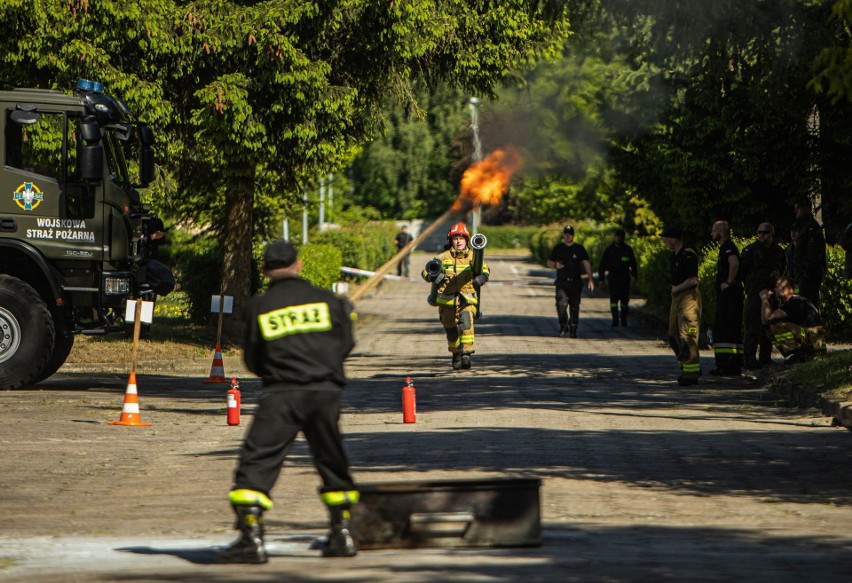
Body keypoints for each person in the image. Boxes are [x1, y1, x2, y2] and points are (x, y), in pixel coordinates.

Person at [216, 240, 360, 564]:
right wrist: (324, 364)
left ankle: (250, 538)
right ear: (299, 264)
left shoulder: (259, 306)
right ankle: (343, 533)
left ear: (266, 271)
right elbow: (346, 342)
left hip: (281, 393)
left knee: (259, 458)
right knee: (330, 457)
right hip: (325, 393)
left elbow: (252, 359)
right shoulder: (329, 301)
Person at [421, 222, 489, 370]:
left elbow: (484, 269)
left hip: (467, 299)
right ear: (450, 240)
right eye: (455, 238)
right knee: (451, 330)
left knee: (466, 322)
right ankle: (455, 353)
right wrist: (433, 276)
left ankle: (466, 354)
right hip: (446, 301)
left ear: (466, 240)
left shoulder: (473, 257)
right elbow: (425, 272)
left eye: (461, 238)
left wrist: (483, 277)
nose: (458, 241)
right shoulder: (442, 257)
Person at [739, 222, 787, 369]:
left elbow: (782, 270)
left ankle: (765, 357)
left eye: (765, 232)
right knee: (752, 325)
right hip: (755, 293)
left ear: (771, 234)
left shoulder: (778, 251)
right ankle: (749, 358)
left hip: (771, 294)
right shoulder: (750, 250)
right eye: (759, 232)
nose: (761, 235)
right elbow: (742, 272)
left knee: (769, 326)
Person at [662, 227, 701, 386]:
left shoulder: (688, 255)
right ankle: (686, 368)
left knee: (687, 337)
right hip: (676, 297)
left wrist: (677, 289)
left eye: (665, 238)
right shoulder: (674, 256)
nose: (664, 241)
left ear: (673, 239)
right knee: (673, 336)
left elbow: (693, 280)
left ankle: (691, 375)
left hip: (688, 299)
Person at [760, 275, 825, 364]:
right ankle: (800, 354)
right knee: (769, 328)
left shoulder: (795, 302)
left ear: (784, 289)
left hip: (814, 338)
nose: (774, 289)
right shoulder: (793, 302)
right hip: (811, 337)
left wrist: (764, 299)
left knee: (776, 325)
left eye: (777, 287)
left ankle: (800, 355)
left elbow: (769, 317)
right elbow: (765, 322)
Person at [547, 225, 595, 338]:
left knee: (574, 306)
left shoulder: (579, 248)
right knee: (561, 304)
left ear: (573, 235)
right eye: (566, 233)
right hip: (562, 282)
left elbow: (586, 263)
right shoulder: (558, 248)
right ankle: (563, 324)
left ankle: (573, 327)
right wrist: (555, 265)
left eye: (570, 234)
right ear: (563, 235)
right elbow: (548, 262)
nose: (568, 236)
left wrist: (590, 279)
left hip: (575, 282)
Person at [708, 221, 743, 376]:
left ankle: (725, 365)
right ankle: (733, 364)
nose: (711, 233)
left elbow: (734, 263)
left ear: (721, 232)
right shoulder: (726, 247)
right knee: (731, 330)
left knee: (723, 329)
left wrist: (728, 282)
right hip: (730, 297)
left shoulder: (728, 247)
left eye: (714, 230)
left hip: (729, 297)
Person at [597, 228, 638, 327]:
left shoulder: (628, 250)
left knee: (625, 300)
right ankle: (615, 319)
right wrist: (601, 279)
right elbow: (602, 265)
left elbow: (633, 264)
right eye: (618, 236)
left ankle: (623, 318)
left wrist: (634, 276)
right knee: (614, 300)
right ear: (614, 237)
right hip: (613, 278)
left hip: (624, 278)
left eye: (621, 237)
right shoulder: (609, 250)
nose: (619, 239)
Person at [792, 200, 827, 309]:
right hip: (799, 277)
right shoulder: (803, 226)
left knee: (808, 305)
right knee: (798, 300)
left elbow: (814, 255)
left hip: (808, 277)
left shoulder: (812, 227)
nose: (795, 211)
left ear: (806, 209)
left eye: (798, 208)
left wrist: (805, 274)